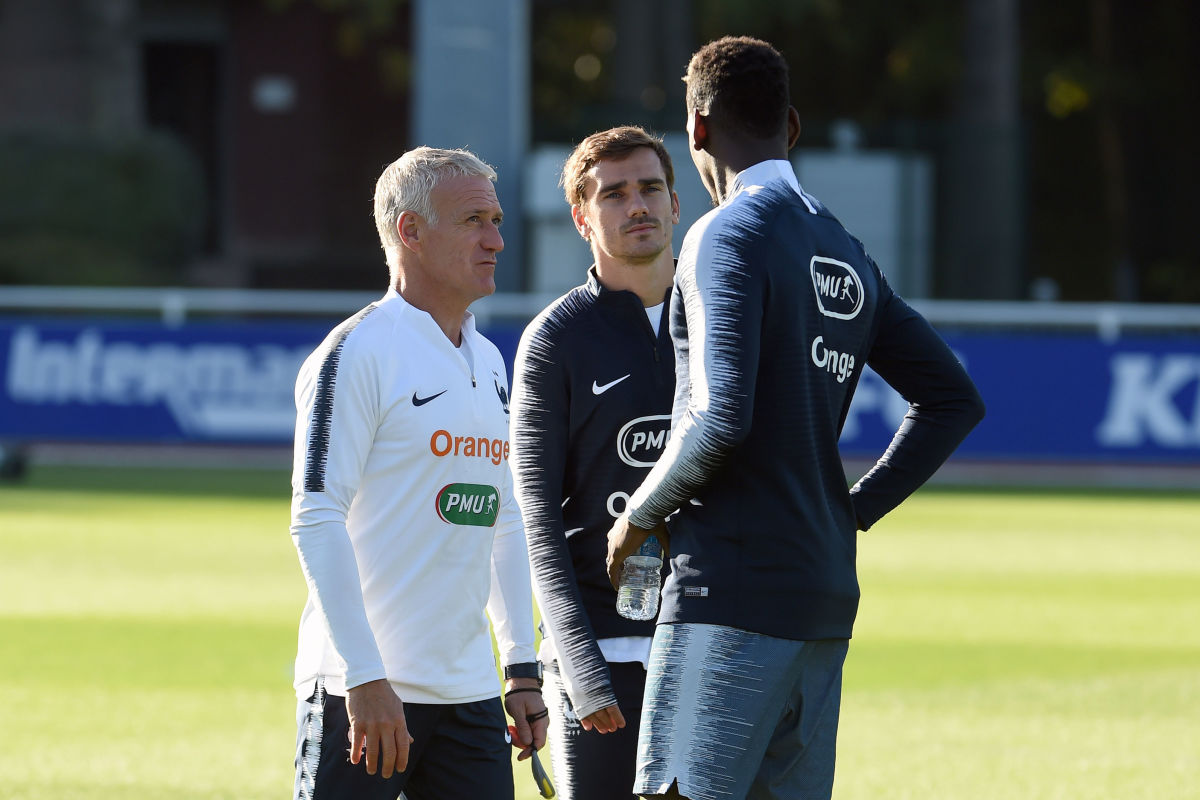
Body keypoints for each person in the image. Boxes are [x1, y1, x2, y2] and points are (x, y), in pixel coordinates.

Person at [605, 37, 986, 800]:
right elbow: (954, 400)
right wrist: (846, 513)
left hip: (729, 591)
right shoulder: (841, 247)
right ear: (794, 126)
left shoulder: (725, 233)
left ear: (699, 129)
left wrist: (637, 518)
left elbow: (718, 420)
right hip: (820, 595)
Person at [289, 146, 548, 800]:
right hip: (368, 694)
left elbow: (503, 517)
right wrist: (364, 675)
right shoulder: (357, 353)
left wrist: (520, 666)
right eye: (473, 222)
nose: (496, 239)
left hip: (470, 696)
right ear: (410, 231)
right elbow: (316, 518)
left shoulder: (490, 360)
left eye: (495, 219)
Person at [509, 125, 680, 800]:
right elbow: (537, 520)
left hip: (709, 643)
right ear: (582, 218)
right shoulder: (555, 339)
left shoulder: (722, 321)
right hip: (605, 655)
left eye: (650, 189)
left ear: (676, 204)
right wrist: (579, 668)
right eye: (613, 194)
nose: (636, 205)